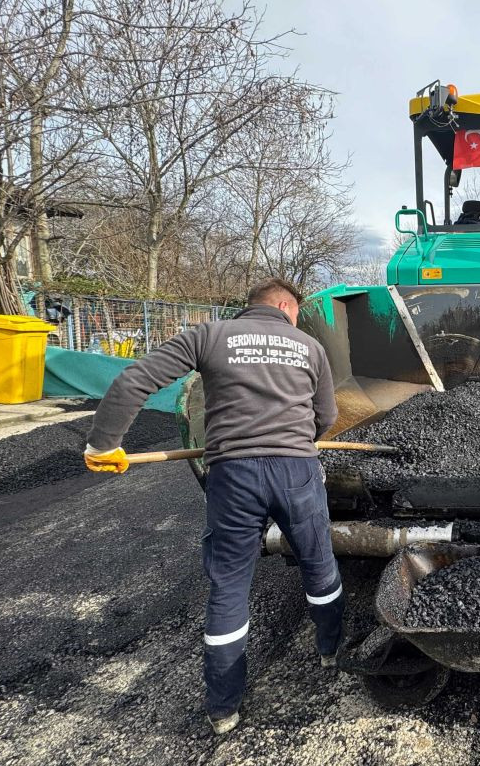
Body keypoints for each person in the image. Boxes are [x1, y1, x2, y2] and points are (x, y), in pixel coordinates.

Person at [83, 278, 341, 736]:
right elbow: (328, 418)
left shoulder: (209, 335)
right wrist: (300, 436)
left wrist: (104, 445)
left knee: (229, 585)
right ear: (285, 306)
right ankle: (330, 650)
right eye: (296, 311)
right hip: (296, 471)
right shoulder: (308, 346)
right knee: (318, 563)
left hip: (233, 473)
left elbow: (135, 381)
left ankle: (223, 708)